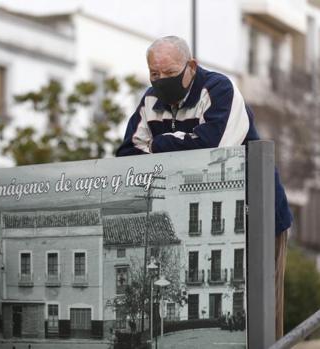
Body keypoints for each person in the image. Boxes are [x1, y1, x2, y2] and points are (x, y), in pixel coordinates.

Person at [116, 36, 292, 339]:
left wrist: (159, 144)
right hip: (194, 212)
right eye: (154, 75)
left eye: (169, 74)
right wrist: (181, 144)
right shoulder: (149, 100)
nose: (161, 81)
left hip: (258, 212)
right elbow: (128, 156)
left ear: (191, 67)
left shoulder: (220, 90)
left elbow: (212, 149)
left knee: (264, 311)